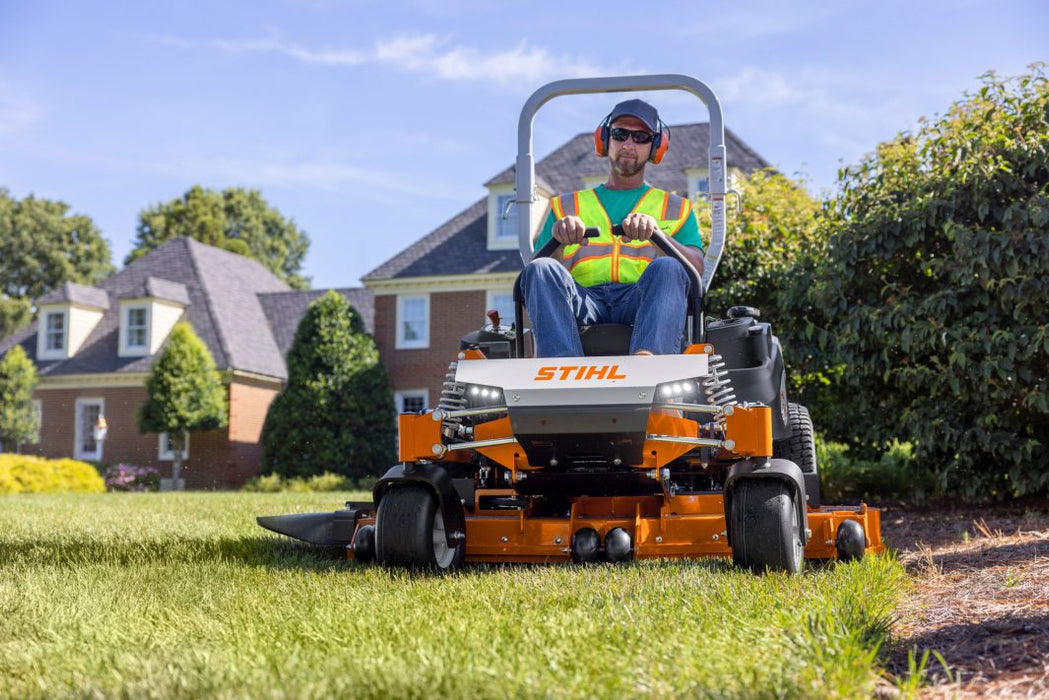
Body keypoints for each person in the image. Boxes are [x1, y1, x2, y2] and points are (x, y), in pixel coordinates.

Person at [520, 98, 705, 358]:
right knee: (539, 267)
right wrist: (560, 240)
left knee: (670, 266)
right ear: (605, 141)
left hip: (640, 301)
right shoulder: (565, 206)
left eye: (640, 137)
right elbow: (541, 279)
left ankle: (649, 365)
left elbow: (696, 269)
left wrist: (658, 236)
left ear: (655, 148)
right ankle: (561, 370)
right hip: (582, 302)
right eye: (620, 134)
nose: (629, 144)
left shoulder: (676, 208)